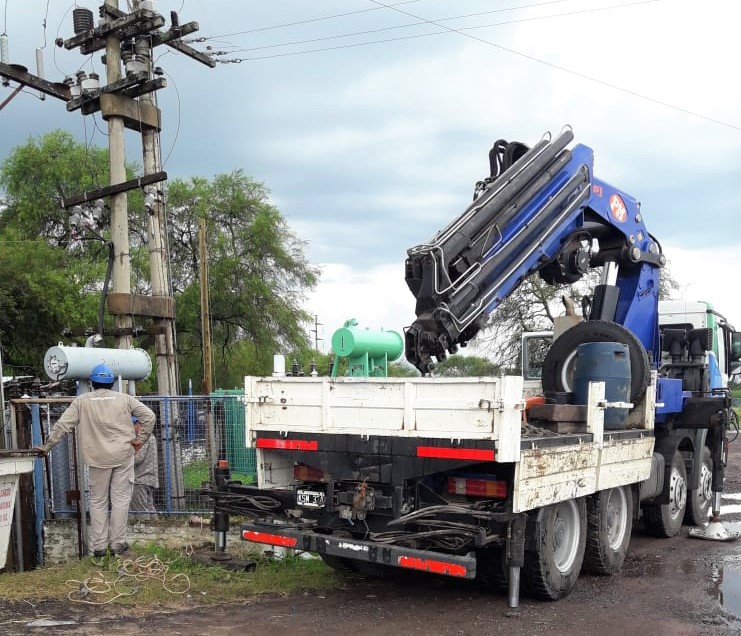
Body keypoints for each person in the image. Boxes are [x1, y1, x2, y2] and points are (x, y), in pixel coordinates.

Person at [33, 363, 155, 557]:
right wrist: (139, 441)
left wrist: (46, 447)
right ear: (112, 382)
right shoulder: (125, 399)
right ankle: (117, 544)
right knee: (120, 501)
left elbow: (62, 426)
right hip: (123, 455)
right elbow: (149, 416)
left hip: (97, 459)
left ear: (92, 383)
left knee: (98, 502)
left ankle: (98, 547)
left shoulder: (82, 401)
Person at [130, 416, 159, 521]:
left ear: (138, 425)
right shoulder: (151, 436)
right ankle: (157, 530)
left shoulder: (143, 438)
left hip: (140, 479)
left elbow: (138, 458)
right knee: (150, 507)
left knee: (141, 509)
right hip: (149, 478)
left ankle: (146, 532)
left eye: (131, 426)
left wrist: (123, 462)